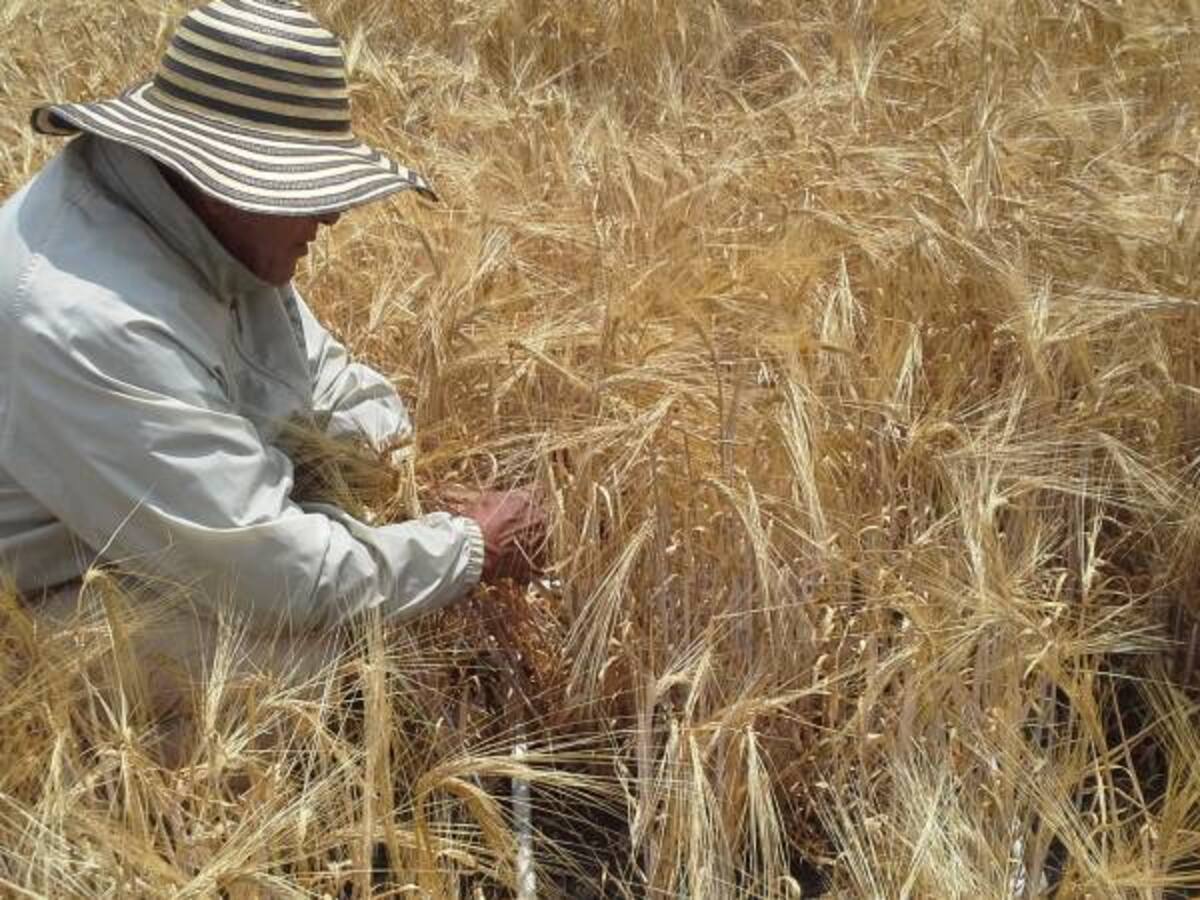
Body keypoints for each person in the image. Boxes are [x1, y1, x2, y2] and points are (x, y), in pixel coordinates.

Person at [0, 0, 545, 735]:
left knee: (380, 601)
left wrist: (403, 478)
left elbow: (325, 374)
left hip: (137, 531)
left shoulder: (196, 225)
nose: (331, 217)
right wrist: (466, 548)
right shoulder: (95, 321)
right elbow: (279, 574)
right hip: (45, 591)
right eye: (307, 192)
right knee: (316, 665)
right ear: (220, 176)